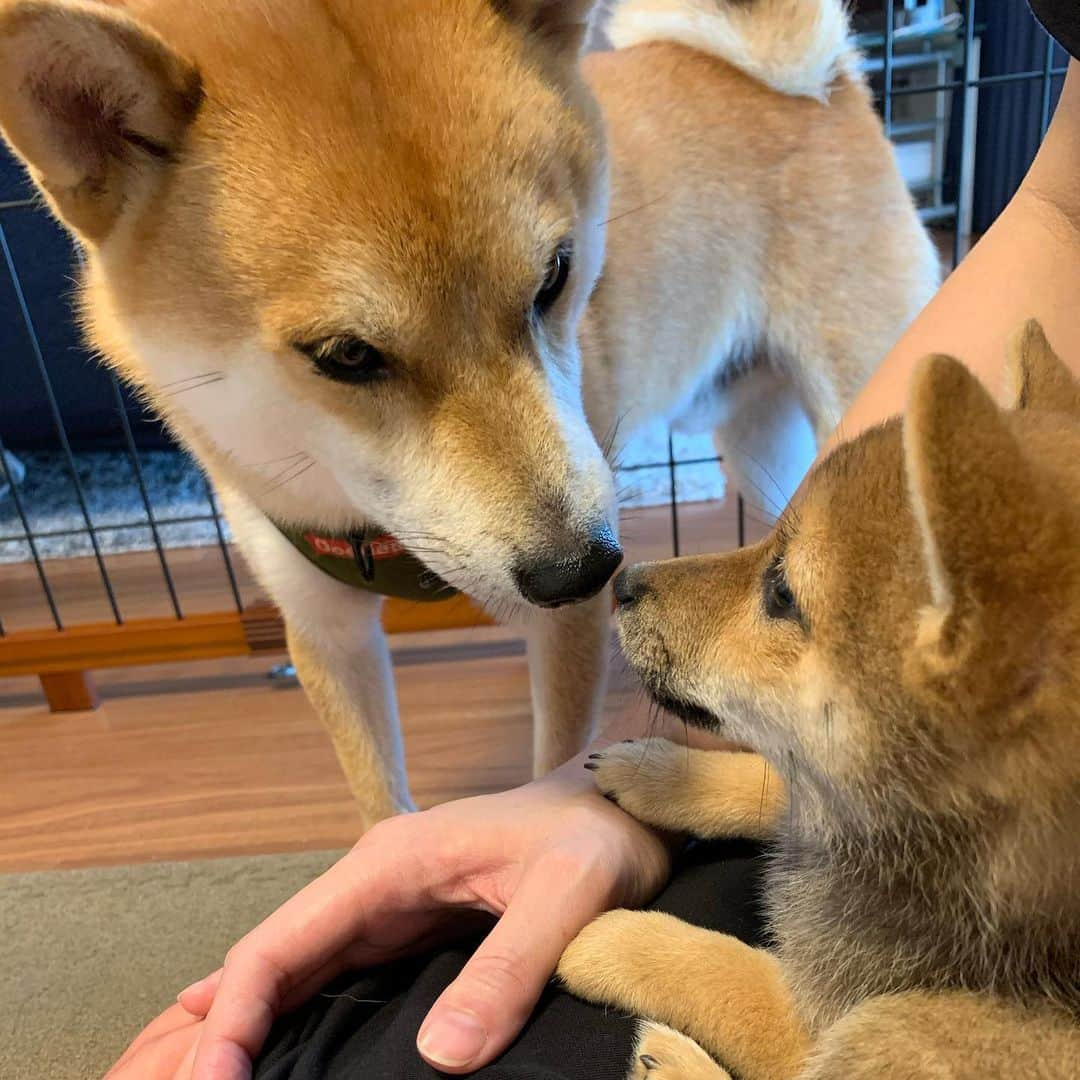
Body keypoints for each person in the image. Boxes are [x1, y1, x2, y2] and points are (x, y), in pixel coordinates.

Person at [108, 6, 1080, 1078]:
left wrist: (565, 779)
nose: (574, 524)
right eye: (351, 353)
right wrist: (537, 813)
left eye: (550, 282)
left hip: (803, 198)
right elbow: (1063, 208)